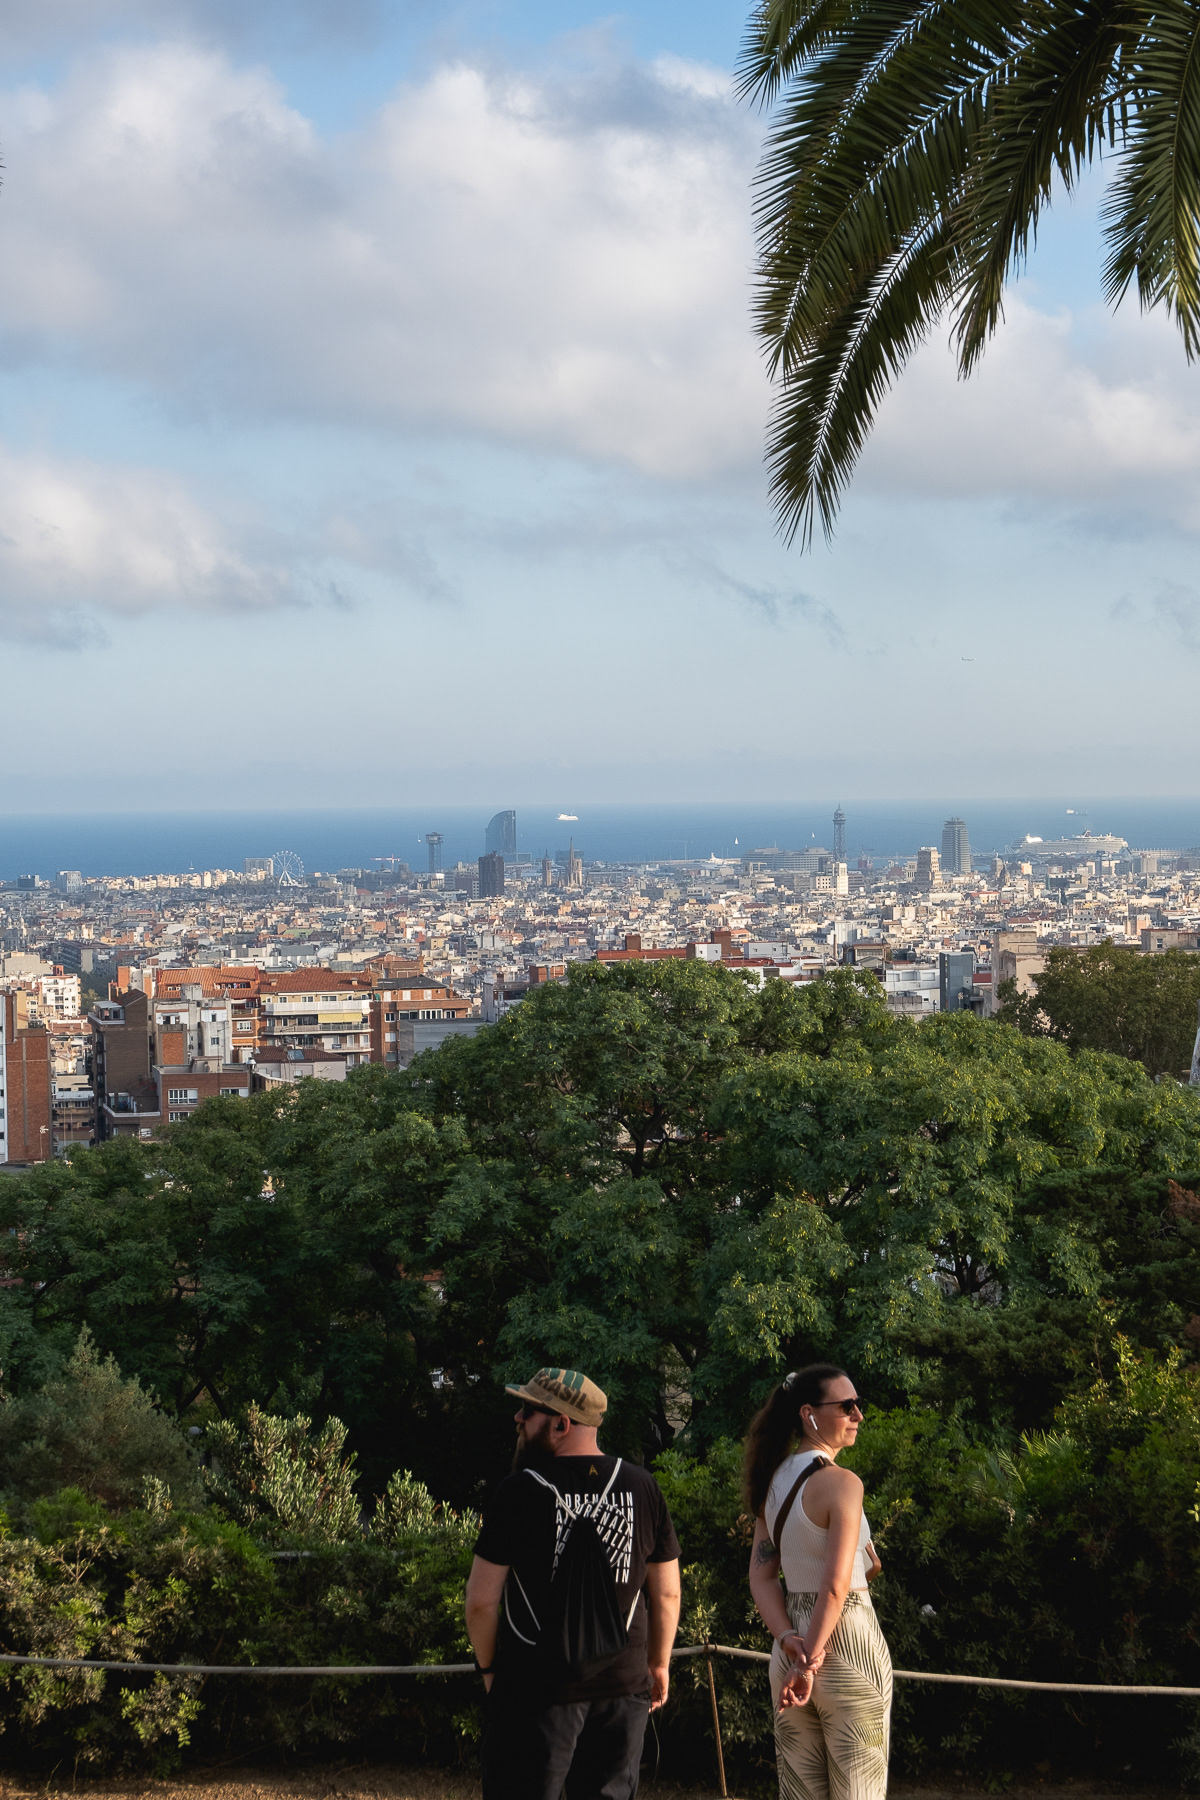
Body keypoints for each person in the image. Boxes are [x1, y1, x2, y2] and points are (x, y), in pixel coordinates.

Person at [465, 1366, 682, 1800]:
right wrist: (659, 1663)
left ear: (562, 1424)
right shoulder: (643, 1486)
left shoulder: (518, 1491)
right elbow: (667, 1591)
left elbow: (480, 1602)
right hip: (623, 1687)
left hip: (534, 1688)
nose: (518, 1420)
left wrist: (491, 1671)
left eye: (528, 1411)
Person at [745, 1363, 891, 1800]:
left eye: (857, 1405)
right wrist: (811, 1662)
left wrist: (790, 1641)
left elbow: (761, 1575)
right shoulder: (842, 1484)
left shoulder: (771, 1481)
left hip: (788, 1648)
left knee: (801, 1791)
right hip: (848, 1648)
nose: (858, 1416)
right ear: (809, 1413)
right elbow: (835, 1587)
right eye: (847, 1406)